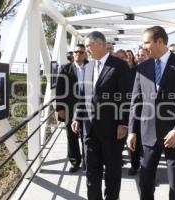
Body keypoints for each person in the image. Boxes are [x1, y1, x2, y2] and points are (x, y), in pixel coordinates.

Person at [127, 26, 175, 200]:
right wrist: (132, 131)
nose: (143, 47)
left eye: (146, 42)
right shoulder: (142, 68)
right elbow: (136, 103)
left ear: (159, 41)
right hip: (149, 134)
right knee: (145, 183)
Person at [71, 31, 130, 200]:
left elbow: (125, 97)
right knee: (91, 171)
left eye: (88, 45)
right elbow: (83, 95)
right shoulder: (88, 66)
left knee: (112, 173)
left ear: (100, 44)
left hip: (112, 130)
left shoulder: (119, 66)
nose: (86, 49)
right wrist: (77, 116)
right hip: (89, 130)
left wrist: (123, 123)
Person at [56, 44, 88, 173]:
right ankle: (75, 162)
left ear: (85, 53)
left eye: (81, 52)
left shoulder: (91, 67)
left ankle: (87, 162)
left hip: (87, 107)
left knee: (87, 136)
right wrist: (60, 108)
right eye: (75, 52)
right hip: (70, 107)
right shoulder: (65, 69)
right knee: (71, 136)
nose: (78, 54)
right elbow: (59, 89)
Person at [128, 47, 149, 176]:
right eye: (138, 55)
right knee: (134, 139)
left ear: (148, 56)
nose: (140, 57)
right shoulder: (132, 70)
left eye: (143, 55)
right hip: (135, 111)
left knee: (145, 144)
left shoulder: (154, 71)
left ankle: (146, 168)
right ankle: (134, 165)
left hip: (149, 113)